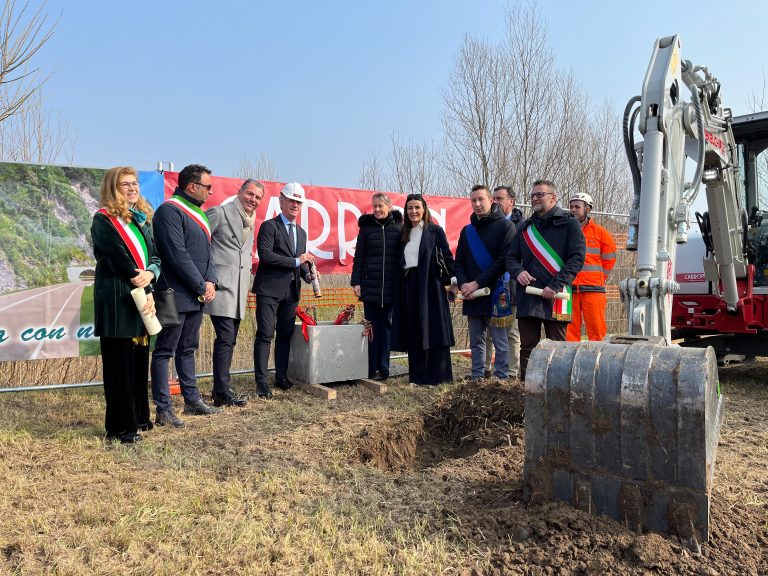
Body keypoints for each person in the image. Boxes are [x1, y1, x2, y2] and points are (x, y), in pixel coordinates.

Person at [91, 167, 161, 443]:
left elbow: (155, 256)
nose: (132, 188)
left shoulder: (141, 218)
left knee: (138, 360)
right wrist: (141, 280)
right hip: (118, 299)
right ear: (113, 188)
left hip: (142, 294)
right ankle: (120, 427)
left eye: (135, 183)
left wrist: (151, 278)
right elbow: (118, 258)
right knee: (119, 364)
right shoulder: (103, 219)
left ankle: (139, 417)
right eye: (125, 185)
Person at [151, 164, 221, 427]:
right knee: (164, 350)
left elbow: (208, 253)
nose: (210, 193)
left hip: (195, 295)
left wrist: (211, 280)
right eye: (207, 187)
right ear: (192, 186)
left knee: (188, 348)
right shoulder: (169, 211)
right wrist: (200, 284)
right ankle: (163, 409)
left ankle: (192, 401)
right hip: (172, 293)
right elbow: (176, 254)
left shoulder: (199, 215)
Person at [506, 179, 585, 380]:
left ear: (553, 198)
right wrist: (518, 272)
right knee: (527, 349)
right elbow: (511, 258)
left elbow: (576, 259)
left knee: (557, 350)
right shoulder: (525, 228)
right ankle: (527, 391)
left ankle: (557, 390)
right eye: (532, 195)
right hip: (529, 295)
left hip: (556, 295)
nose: (534, 198)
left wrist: (556, 284)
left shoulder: (569, 223)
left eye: (539, 194)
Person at [252, 182, 316, 399]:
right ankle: (261, 382)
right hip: (269, 290)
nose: (295, 205)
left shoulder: (302, 232)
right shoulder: (269, 226)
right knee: (265, 335)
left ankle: (281, 377)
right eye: (292, 200)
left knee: (285, 336)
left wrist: (307, 275)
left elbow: (298, 265)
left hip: (291, 292)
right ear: (281, 201)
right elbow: (267, 256)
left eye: (299, 202)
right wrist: (298, 261)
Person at [204, 179, 264, 406]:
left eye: (258, 197)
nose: (253, 200)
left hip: (239, 290)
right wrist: (208, 277)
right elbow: (201, 244)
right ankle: (221, 391)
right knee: (226, 338)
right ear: (239, 192)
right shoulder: (219, 213)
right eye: (250, 194)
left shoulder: (252, 221)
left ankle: (221, 388)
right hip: (220, 287)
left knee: (230, 340)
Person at [391, 193, 455, 385]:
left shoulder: (435, 231)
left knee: (435, 328)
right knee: (414, 329)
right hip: (409, 284)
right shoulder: (404, 233)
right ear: (406, 211)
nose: (414, 211)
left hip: (431, 283)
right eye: (410, 208)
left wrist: (452, 280)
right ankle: (417, 377)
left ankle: (438, 377)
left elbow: (446, 255)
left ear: (424, 209)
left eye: (417, 207)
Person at [455, 185, 516, 380]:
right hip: (471, 295)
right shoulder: (467, 231)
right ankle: (477, 378)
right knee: (476, 342)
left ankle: (501, 379)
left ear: (491, 201)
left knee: (501, 341)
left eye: (481, 199)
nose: (477, 204)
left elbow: (503, 261)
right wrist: (465, 285)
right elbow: (459, 262)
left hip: (496, 292)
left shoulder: (506, 227)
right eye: (473, 200)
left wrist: (476, 284)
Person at [351, 192, 403, 381]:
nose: (378, 210)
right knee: (371, 328)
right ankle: (371, 368)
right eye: (375, 206)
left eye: (381, 206)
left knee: (387, 327)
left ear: (389, 207)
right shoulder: (366, 230)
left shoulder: (399, 228)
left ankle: (384, 367)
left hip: (392, 287)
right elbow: (359, 257)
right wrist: (356, 281)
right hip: (369, 286)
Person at [484, 185, 524, 378]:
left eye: (499, 199)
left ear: (511, 201)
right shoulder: (487, 224)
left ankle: (511, 372)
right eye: (493, 199)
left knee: (511, 332)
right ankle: (485, 369)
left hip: (512, 286)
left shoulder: (522, 225)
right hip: (490, 284)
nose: (495, 203)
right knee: (488, 331)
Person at [566, 192, 617, 342]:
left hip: (593, 289)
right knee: (569, 332)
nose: (573, 209)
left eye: (577, 207)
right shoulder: (566, 231)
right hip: (570, 289)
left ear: (588, 209)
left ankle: (598, 363)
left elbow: (610, 258)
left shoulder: (600, 233)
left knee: (596, 331)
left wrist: (599, 277)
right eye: (571, 207)